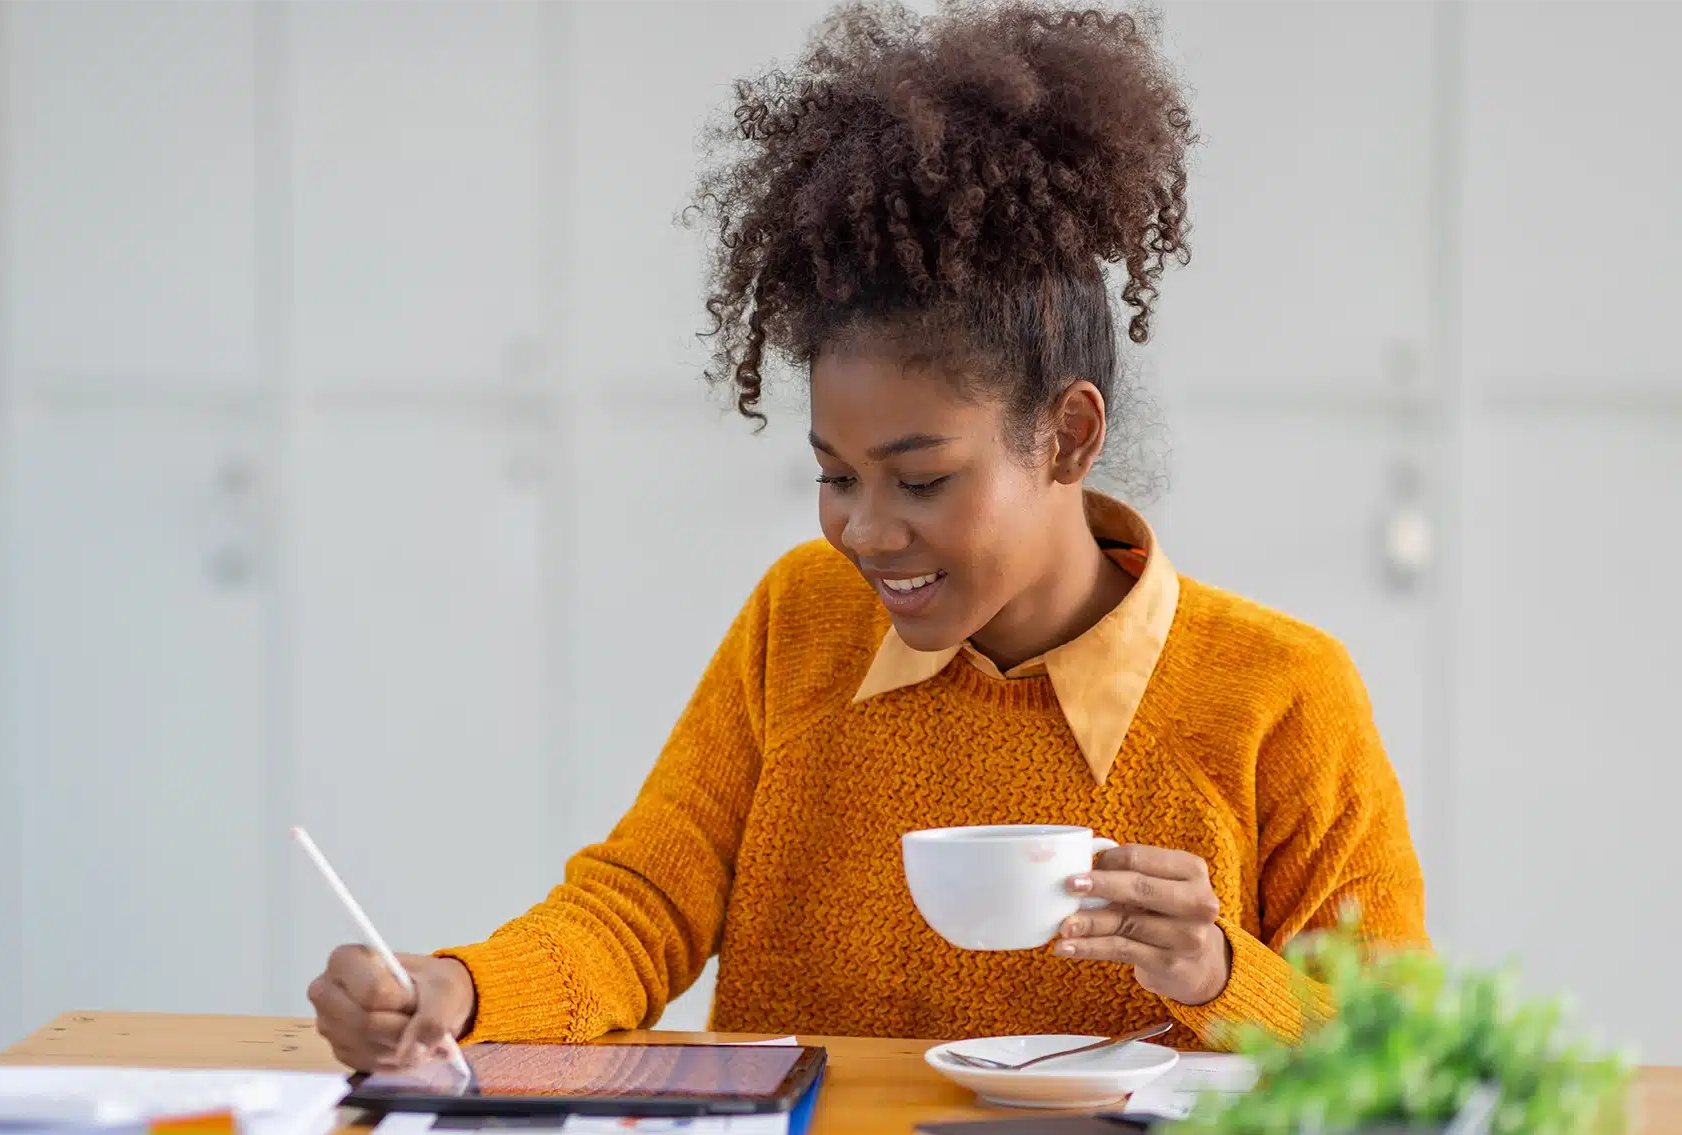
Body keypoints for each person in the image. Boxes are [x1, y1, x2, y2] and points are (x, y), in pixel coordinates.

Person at [307, 0, 1426, 1071]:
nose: (864, 529)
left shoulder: (1281, 697)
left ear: (1070, 435)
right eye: (833, 475)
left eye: (923, 478)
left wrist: (1227, 971)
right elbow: (644, 901)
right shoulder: (804, 617)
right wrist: (461, 990)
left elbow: (1412, 1062)